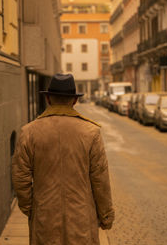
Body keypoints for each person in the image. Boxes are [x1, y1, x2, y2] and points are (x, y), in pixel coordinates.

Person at [12, 73, 114, 245]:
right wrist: (106, 216)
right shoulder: (91, 132)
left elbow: (20, 178)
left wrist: (33, 209)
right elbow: (100, 180)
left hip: (45, 217)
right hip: (81, 219)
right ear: (74, 101)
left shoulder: (28, 132)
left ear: (48, 99)